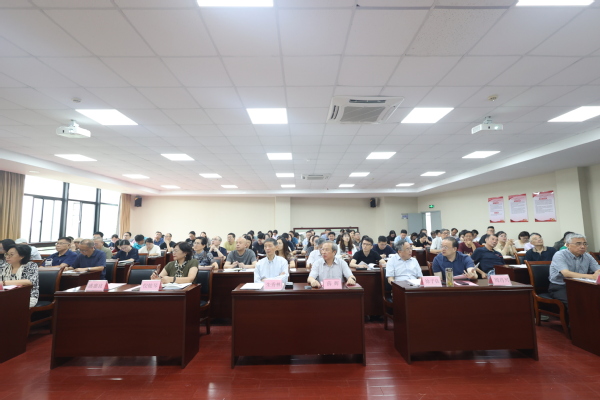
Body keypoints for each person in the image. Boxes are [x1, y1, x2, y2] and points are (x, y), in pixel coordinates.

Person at [548, 233, 600, 309]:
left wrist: (598, 273)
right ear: (568, 245)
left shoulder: (587, 256)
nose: (583, 246)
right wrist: (592, 276)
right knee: (574, 302)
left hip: (581, 285)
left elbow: (598, 270)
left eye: (585, 244)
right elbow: (566, 273)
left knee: (594, 299)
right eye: (578, 244)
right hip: (561, 286)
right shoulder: (560, 255)